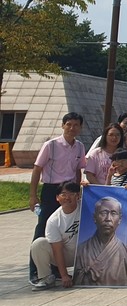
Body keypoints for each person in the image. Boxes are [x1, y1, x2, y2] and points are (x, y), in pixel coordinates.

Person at [29, 112, 85, 284]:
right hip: (51, 189)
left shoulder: (80, 147)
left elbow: (77, 169)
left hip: (70, 189)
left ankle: (58, 270)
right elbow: (37, 169)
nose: (72, 128)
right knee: (42, 229)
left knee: (66, 227)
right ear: (63, 125)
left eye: (76, 125)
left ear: (80, 128)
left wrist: (77, 191)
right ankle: (36, 271)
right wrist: (33, 195)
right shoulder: (51, 145)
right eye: (69, 124)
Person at [75, 196, 127, 286]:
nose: (108, 218)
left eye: (113, 213)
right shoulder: (80, 251)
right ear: (94, 217)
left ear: (120, 219)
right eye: (103, 213)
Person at [29, 182, 81, 291]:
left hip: (86, 253)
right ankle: (46, 278)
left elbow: (103, 198)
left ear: (78, 196)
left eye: (72, 194)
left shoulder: (86, 207)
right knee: (39, 244)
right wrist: (64, 276)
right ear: (57, 198)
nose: (67, 197)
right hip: (66, 255)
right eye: (63, 194)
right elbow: (57, 249)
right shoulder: (54, 220)